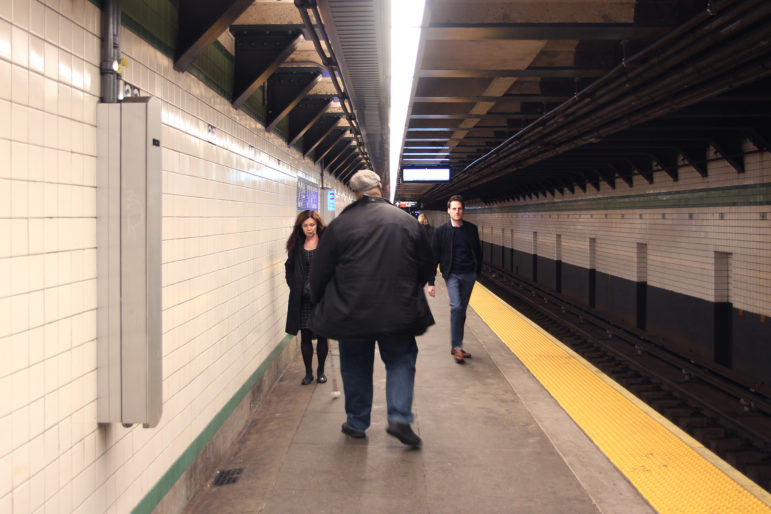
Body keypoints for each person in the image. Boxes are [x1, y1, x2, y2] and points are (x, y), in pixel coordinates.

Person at [310, 170, 435, 447]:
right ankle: (400, 417)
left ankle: (356, 422)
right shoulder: (405, 221)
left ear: (354, 192)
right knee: (401, 360)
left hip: (351, 311)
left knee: (355, 366)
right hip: (398, 310)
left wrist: (318, 301)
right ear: (382, 187)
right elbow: (427, 264)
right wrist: (408, 286)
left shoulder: (340, 226)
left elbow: (319, 272)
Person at [427, 195, 483, 364]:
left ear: (463, 210)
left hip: (469, 275)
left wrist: (476, 271)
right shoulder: (441, 231)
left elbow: (478, 252)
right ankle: (457, 347)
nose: (457, 211)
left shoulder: (471, 229)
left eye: (459, 209)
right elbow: (434, 256)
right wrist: (431, 282)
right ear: (448, 210)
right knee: (457, 307)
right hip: (452, 275)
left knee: (462, 311)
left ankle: (457, 346)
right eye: (454, 208)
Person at [285, 210, 329, 385]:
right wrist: (295, 286)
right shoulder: (296, 245)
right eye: (305, 225)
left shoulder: (326, 243)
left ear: (317, 225)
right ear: (300, 227)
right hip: (302, 298)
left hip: (322, 297)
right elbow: (289, 268)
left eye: (312, 225)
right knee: (305, 335)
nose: (309, 229)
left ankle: (321, 371)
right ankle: (308, 373)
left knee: (322, 336)